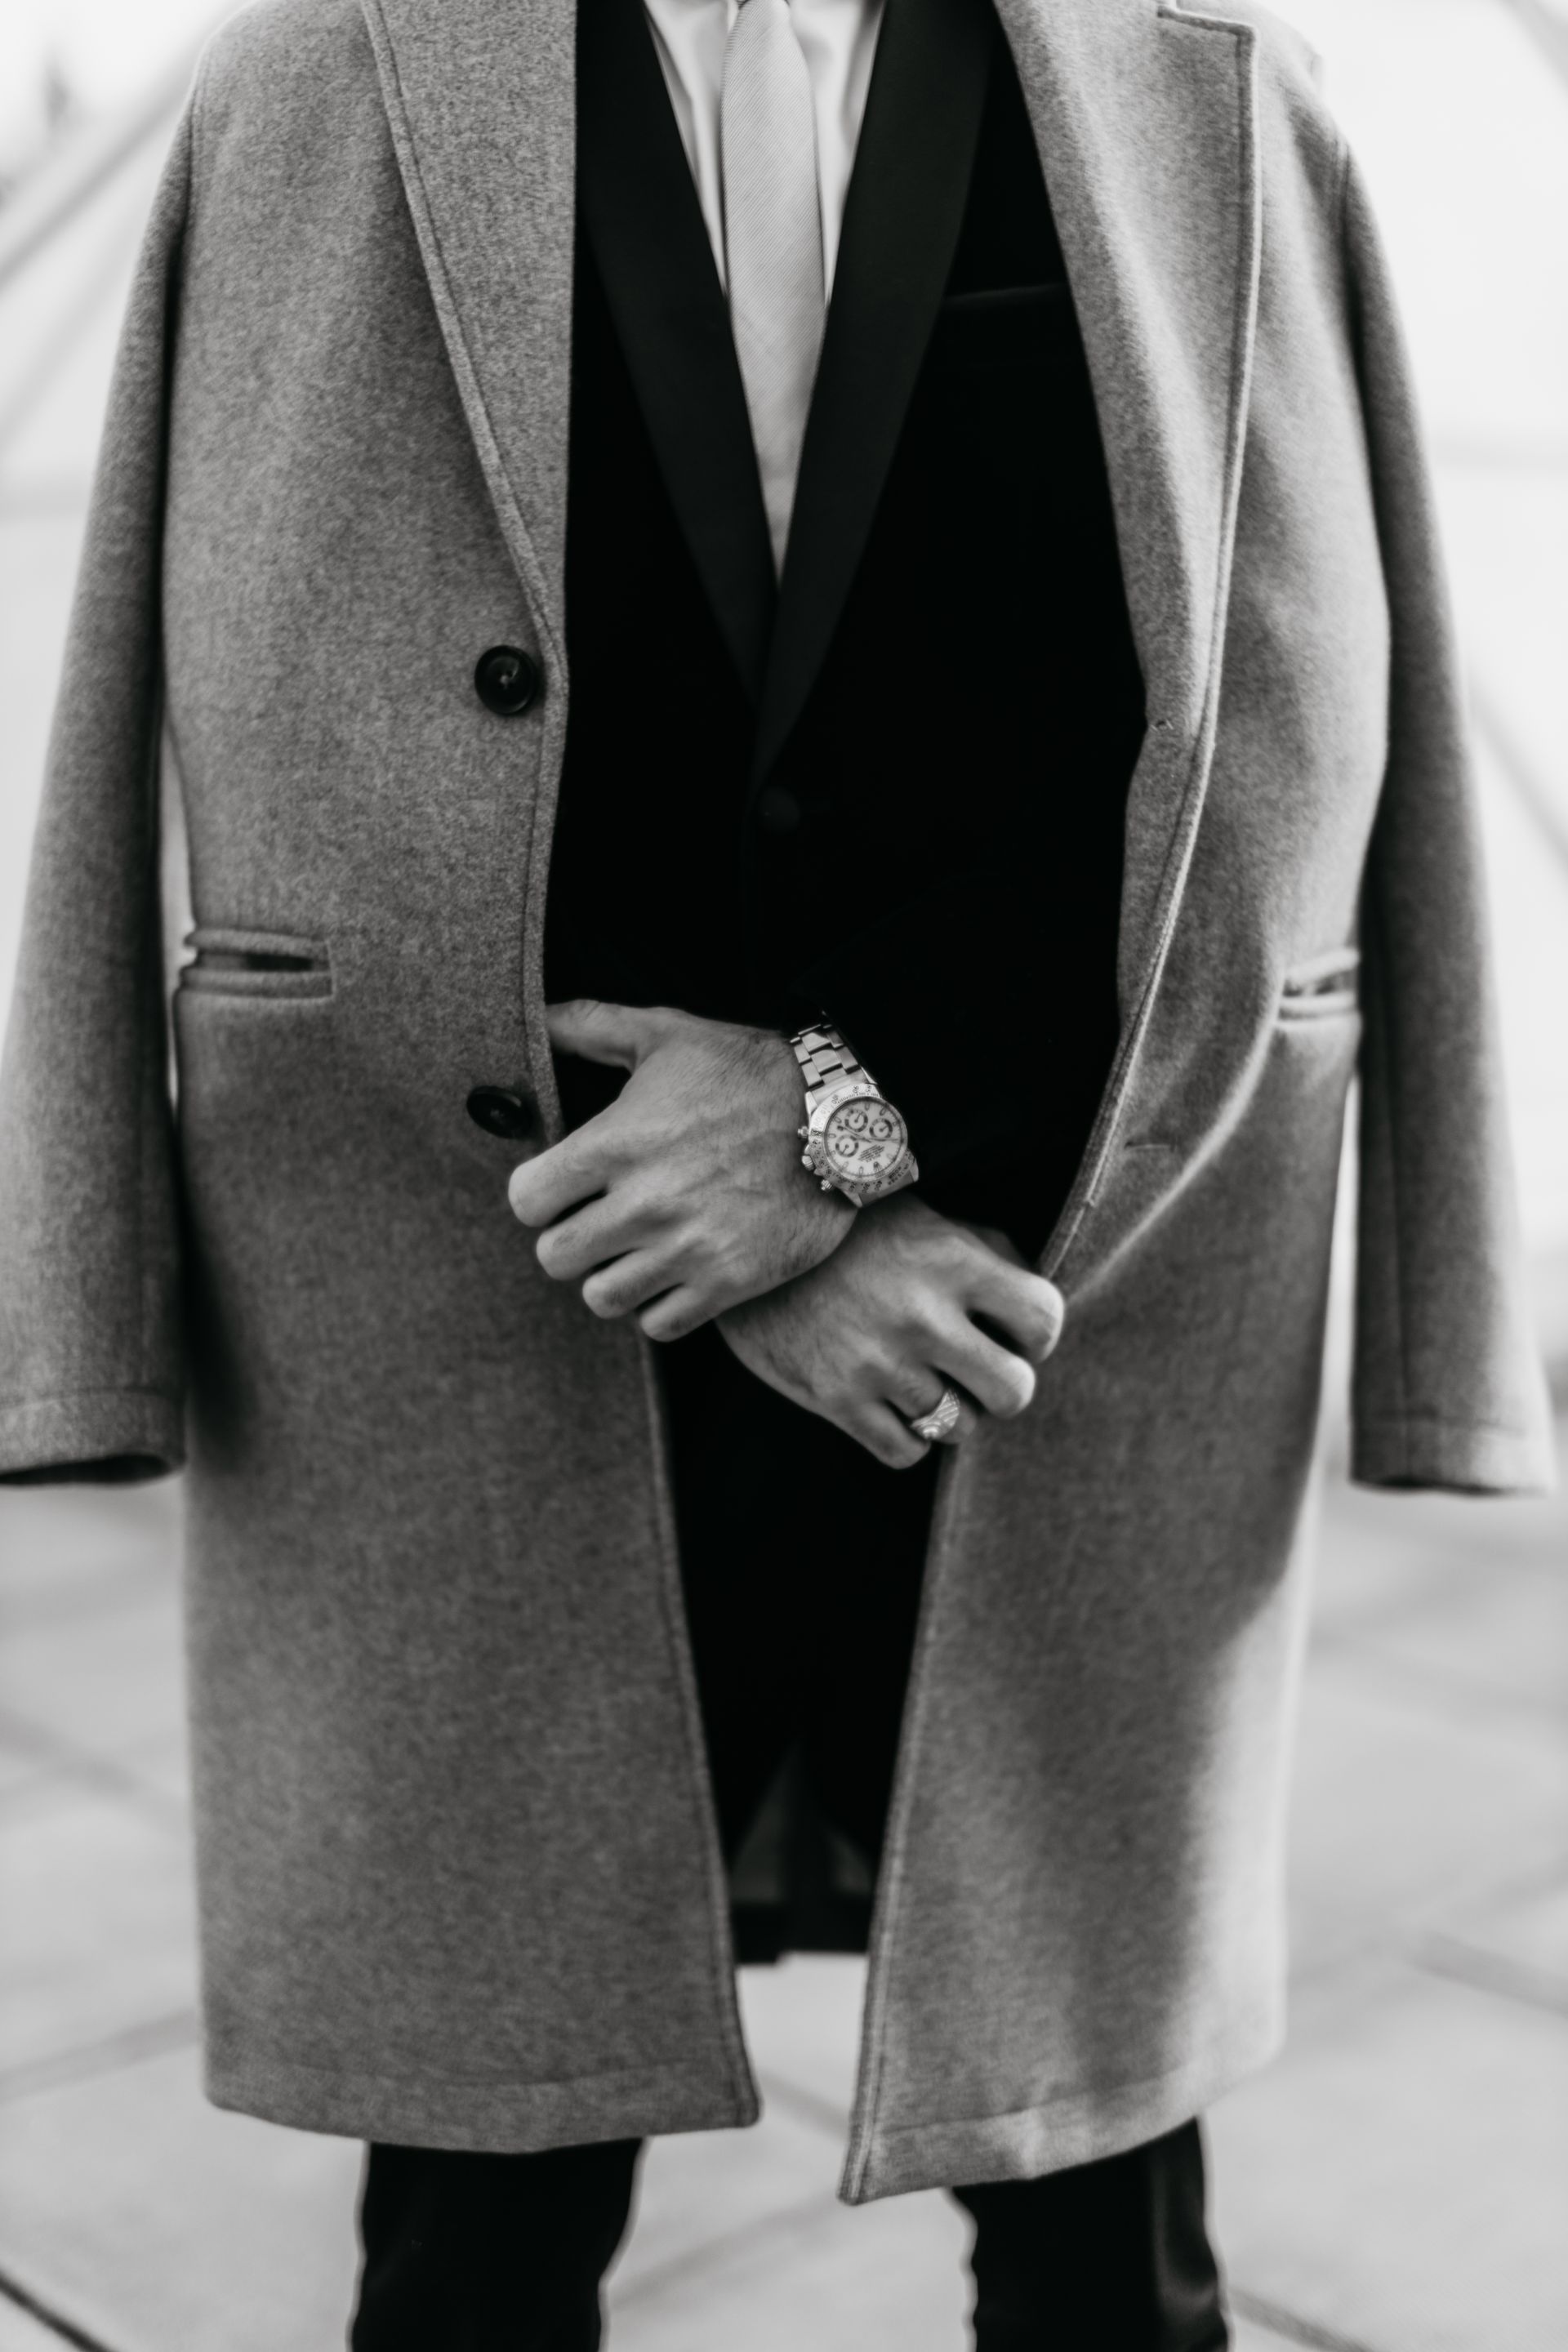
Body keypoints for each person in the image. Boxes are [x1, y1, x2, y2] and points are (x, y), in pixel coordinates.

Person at [0, 0, 1552, 2341]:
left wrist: (846, 1110)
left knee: (1098, 2192)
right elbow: (252, 718)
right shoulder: (322, 75)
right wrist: (717, 1201)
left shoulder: (1200, 76)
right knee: (480, 2190)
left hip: (1051, 1260)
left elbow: (1283, 722)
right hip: (501, 1257)